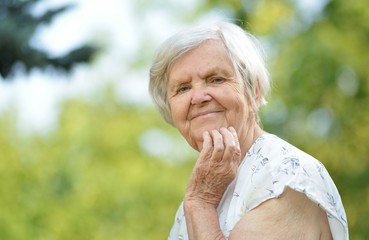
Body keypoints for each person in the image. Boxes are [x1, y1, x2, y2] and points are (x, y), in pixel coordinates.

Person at [149, 21, 348, 239]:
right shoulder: (208, 185)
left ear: (253, 90)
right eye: (183, 88)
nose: (198, 97)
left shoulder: (287, 177)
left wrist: (200, 204)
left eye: (216, 79)